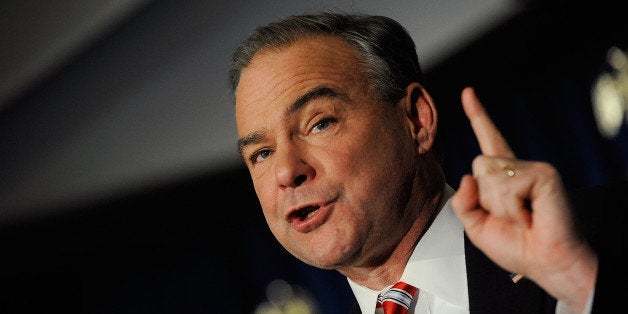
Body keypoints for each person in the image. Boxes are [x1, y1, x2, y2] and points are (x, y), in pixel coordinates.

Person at [229, 12, 622, 313]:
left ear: (416, 119)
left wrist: (575, 280)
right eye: (261, 153)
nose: (285, 171)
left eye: (320, 123)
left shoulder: (598, 237)